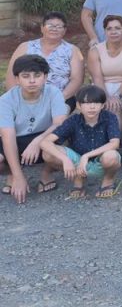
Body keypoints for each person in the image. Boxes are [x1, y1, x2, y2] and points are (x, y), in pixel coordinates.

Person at [0, 55, 70, 203]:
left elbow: (60, 124)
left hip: (45, 137)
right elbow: (8, 137)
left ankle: (46, 173)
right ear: (17, 79)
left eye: (37, 75)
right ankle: (13, 173)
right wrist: (18, 177)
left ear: (45, 77)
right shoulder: (6, 100)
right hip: (16, 139)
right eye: (26, 76)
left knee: (54, 152)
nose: (32, 81)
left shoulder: (53, 92)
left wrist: (37, 142)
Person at [39, 85, 122, 199]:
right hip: (77, 162)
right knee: (47, 154)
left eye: (96, 103)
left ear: (102, 105)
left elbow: (115, 143)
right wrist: (65, 159)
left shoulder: (109, 117)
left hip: (101, 160)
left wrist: (86, 156)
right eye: (87, 103)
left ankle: (108, 180)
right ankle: (78, 179)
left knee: (111, 156)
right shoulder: (73, 120)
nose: (92, 107)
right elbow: (45, 142)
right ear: (78, 105)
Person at [5, 12, 84, 112]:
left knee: (57, 116)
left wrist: (58, 98)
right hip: (25, 97)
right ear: (42, 28)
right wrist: (17, 99)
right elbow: (11, 76)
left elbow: (77, 80)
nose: (54, 29)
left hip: (61, 98)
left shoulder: (72, 50)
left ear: (64, 30)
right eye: (50, 25)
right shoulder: (25, 47)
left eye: (59, 26)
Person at [87, 15, 122, 130]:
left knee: (115, 108)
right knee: (92, 109)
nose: (113, 32)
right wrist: (106, 97)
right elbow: (97, 78)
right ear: (105, 31)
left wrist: (116, 96)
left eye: (118, 28)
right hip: (101, 87)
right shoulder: (95, 50)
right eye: (109, 28)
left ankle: (115, 140)